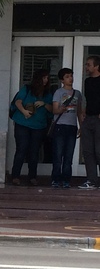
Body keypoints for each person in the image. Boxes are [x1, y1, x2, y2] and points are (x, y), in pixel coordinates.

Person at [10, 69, 53, 186]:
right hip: (22, 124)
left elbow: (52, 110)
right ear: (38, 79)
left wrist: (44, 104)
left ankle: (32, 177)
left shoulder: (47, 94)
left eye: (47, 78)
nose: (46, 80)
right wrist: (24, 111)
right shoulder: (27, 89)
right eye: (44, 78)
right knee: (21, 149)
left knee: (34, 152)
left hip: (39, 126)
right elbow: (18, 102)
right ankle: (15, 176)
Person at [50, 68, 83, 188]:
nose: (70, 78)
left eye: (71, 76)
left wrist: (81, 126)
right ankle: (55, 178)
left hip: (72, 126)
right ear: (62, 80)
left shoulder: (77, 93)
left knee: (69, 155)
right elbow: (54, 109)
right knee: (58, 154)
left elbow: (79, 111)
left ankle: (66, 179)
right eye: (67, 76)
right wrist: (61, 109)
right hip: (60, 126)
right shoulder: (59, 92)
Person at [78, 55, 100, 189]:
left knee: (99, 151)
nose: (86, 67)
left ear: (97, 66)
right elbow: (90, 99)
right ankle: (91, 180)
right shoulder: (87, 81)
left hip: (98, 119)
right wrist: (84, 111)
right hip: (88, 118)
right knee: (87, 151)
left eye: (89, 65)